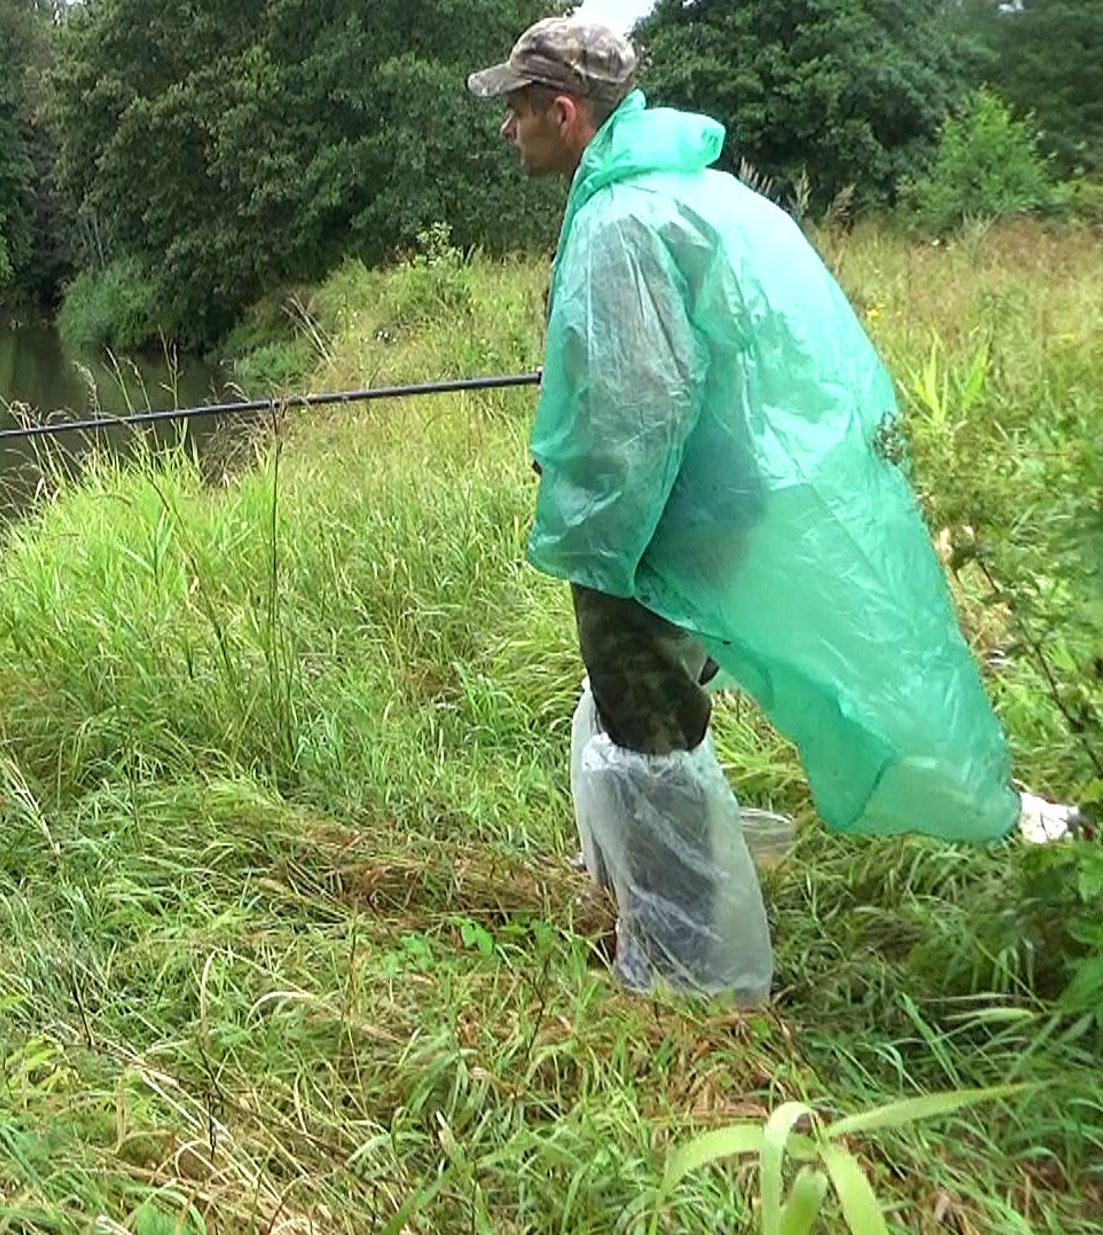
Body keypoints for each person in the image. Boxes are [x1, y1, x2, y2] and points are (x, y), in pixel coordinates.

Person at [463, 16, 1085, 998]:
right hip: (719, 509)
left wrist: (593, 540)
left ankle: (689, 974)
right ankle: (657, 882)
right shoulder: (689, 190)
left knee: (648, 734)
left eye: (516, 110)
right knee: (659, 704)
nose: (507, 129)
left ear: (564, 112)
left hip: (654, 525)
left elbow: (641, 406)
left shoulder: (620, 222)